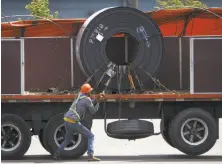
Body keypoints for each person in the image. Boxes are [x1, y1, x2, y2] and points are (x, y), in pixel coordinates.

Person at [53, 83, 104, 161]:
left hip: (66, 120)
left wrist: (96, 99)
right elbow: (93, 111)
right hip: (73, 122)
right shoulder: (87, 100)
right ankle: (90, 155)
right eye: (90, 91)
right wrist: (99, 102)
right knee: (91, 136)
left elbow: (87, 103)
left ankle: (56, 154)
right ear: (88, 92)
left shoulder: (79, 95)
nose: (91, 92)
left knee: (67, 139)